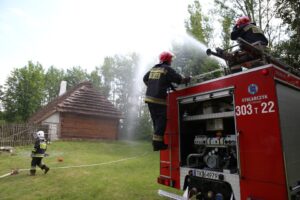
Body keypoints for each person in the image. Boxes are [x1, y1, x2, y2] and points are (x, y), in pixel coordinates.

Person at [143, 51, 190, 151]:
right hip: (159, 99)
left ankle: (157, 142)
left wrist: (152, 86)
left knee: (156, 121)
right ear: (168, 60)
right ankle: (157, 144)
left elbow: (144, 78)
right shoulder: (166, 69)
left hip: (149, 99)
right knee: (161, 121)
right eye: (171, 59)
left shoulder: (153, 69)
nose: (171, 61)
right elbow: (179, 79)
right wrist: (188, 79)